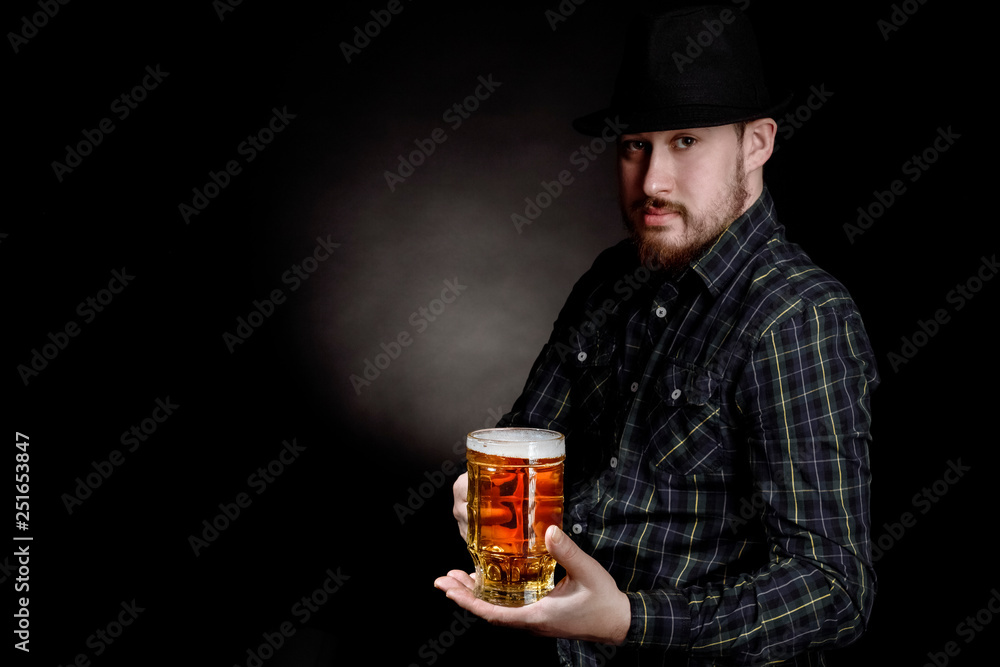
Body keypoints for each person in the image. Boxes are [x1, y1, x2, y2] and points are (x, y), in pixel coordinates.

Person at [435, 5, 879, 666]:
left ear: (757, 143)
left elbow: (833, 588)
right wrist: (479, 496)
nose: (652, 182)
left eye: (686, 142)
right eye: (634, 145)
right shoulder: (609, 279)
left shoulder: (797, 314)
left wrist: (628, 619)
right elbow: (531, 436)